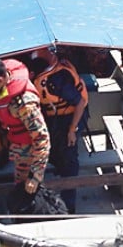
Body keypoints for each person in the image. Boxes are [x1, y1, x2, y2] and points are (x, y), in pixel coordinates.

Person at [0, 54, 50, 197]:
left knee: (25, 189)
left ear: (1, 79)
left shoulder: (24, 105)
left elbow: (42, 138)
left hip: (28, 151)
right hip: (13, 142)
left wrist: (35, 176)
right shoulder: (2, 80)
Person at [28, 47, 88, 213]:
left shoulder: (57, 80)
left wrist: (72, 130)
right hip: (55, 117)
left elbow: (80, 103)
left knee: (69, 158)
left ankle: (69, 205)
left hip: (71, 117)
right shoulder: (44, 74)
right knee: (54, 151)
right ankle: (59, 171)